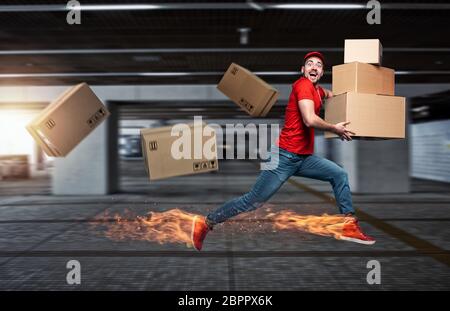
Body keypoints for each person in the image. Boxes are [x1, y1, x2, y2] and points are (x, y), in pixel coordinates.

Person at [191, 52, 375, 251]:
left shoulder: (318, 91)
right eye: (310, 64)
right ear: (303, 70)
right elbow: (309, 119)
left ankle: (349, 225)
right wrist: (335, 128)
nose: (314, 67)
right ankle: (206, 222)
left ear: (321, 73)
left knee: (339, 174)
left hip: (303, 158)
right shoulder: (302, 85)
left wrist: (360, 92)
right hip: (282, 156)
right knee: (253, 201)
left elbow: (334, 96)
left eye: (319, 65)